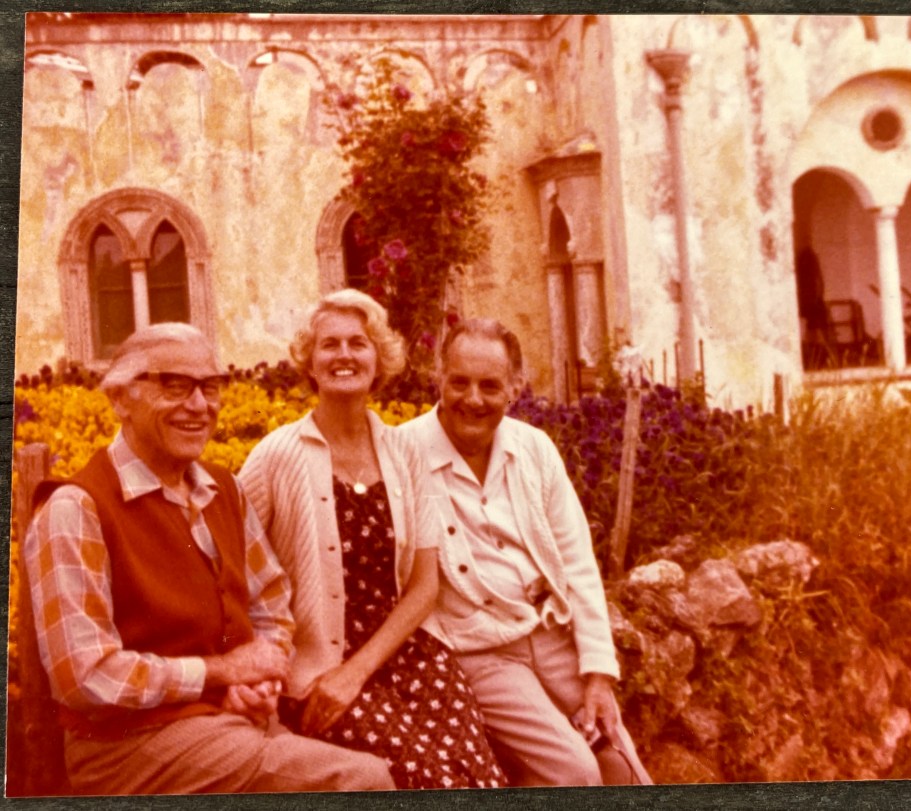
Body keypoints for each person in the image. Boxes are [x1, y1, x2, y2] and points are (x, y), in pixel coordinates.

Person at [24, 322, 395, 795]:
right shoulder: (77, 508)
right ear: (120, 399)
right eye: (174, 385)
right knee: (362, 781)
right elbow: (85, 676)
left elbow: (271, 604)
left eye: (210, 386)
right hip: (128, 747)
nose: (199, 405)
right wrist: (219, 674)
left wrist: (258, 675)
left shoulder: (224, 489)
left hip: (229, 723)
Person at [238, 290, 506, 790]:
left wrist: (357, 672)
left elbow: (424, 586)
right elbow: (231, 570)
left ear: (378, 358)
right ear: (310, 362)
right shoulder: (275, 457)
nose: (344, 355)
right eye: (330, 344)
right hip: (318, 672)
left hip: (407, 656)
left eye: (358, 343)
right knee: (423, 777)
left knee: (477, 772)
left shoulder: (405, 452)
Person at [398, 318, 653, 787]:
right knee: (574, 772)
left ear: (514, 389)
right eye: (460, 382)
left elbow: (577, 563)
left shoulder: (533, 448)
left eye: (490, 385)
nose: (473, 399)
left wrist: (598, 675)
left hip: (550, 636)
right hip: (481, 650)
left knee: (624, 771)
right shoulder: (404, 453)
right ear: (439, 378)